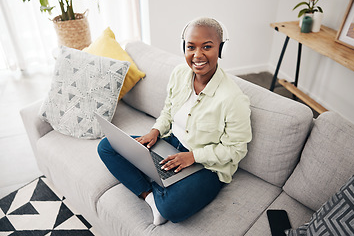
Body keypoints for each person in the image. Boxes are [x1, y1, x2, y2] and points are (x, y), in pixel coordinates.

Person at [97, 17, 252, 225]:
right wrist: (155, 131)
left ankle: (159, 187)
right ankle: (151, 197)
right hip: (170, 145)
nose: (198, 55)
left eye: (207, 47)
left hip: (207, 167)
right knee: (107, 146)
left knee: (172, 209)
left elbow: (236, 150)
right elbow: (168, 111)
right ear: (184, 48)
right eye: (191, 47)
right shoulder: (180, 73)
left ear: (220, 49)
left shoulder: (234, 99)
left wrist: (193, 156)